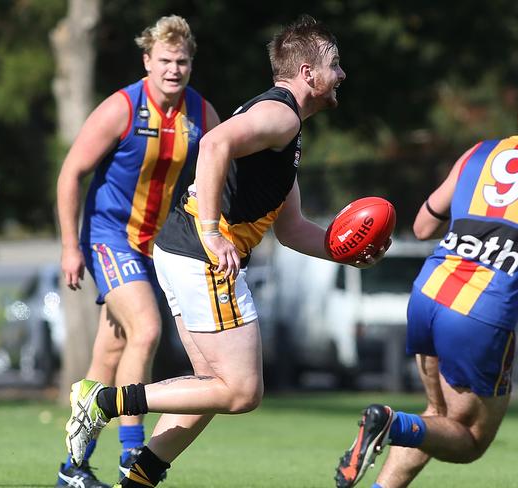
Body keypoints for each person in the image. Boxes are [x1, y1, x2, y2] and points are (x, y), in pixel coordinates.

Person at [62, 14, 387, 488]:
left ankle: (138, 481)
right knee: (241, 391)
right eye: (335, 64)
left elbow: (292, 229)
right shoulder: (280, 114)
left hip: (181, 249)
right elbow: (213, 145)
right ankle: (105, 402)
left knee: (208, 389)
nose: (342, 75)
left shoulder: (280, 125)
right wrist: (214, 233)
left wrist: (347, 251)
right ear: (308, 74)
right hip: (201, 252)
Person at [334, 77, 518, 488]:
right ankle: (388, 423)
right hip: (481, 313)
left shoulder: (478, 152)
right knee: (471, 439)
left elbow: (423, 226)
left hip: (427, 294)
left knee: (436, 419)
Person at [55, 15, 220, 488]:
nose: (174, 70)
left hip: (158, 245)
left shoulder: (200, 112)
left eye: (182, 61)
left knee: (110, 354)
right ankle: (133, 453)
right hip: (109, 236)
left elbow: (225, 160)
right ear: (147, 60)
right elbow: (70, 174)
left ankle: (73, 469)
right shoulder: (122, 108)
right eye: (165, 60)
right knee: (146, 329)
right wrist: (71, 246)